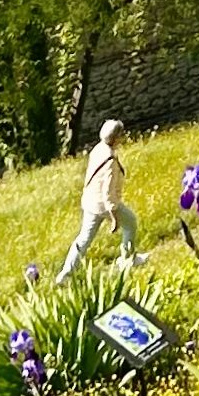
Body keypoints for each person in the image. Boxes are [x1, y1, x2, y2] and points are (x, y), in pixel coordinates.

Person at [56, 118, 137, 279]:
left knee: (84, 238)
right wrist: (114, 217)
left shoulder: (98, 149)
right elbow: (108, 193)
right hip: (104, 205)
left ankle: (65, 273)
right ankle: (126, 260)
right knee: (130, 223)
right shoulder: (110, 161)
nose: (123, 137)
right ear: (115, 138)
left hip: (90, 202)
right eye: (121, 135)